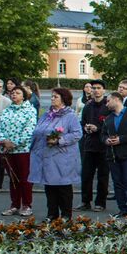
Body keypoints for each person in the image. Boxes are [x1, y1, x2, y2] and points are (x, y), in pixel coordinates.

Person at [31, 87, 82, 220]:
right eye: (52, 96)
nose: (52, 99)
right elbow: (38, 131)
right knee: (50, 187)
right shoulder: (46, 115)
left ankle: (66, 215)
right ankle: (52, 214)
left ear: (63, 99)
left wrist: (60, 140)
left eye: (55, 97)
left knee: (63, 186)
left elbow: (77, 134)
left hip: (62, 157)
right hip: (47, 156)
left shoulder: (70, 116)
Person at [0, 85, 37, 217]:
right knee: (13, 179)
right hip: (7, 150)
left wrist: (14, 143)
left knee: (24, 178)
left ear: (24, 96)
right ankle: (15, 204)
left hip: (23, 150)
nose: (14, 95)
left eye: (18, 93)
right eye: (12, 93)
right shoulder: (7, 110)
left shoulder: (30, 110)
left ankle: (27, 204)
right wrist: (3, 140)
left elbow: (29, 130)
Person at [102, 92, 127, 218]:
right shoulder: (108, 118)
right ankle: (122, 208)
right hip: (113, 155)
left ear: (116, 100)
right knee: (117, 182)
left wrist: (121, 139)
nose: (107, 104)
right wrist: (106, 140)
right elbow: (103, 134)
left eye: (108, 101)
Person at [79, 81, 110, 211]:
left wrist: (98, 128)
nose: (96, 91)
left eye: (98, 88)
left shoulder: (108, 106)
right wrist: (86, 127)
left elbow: (111, 124)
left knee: (103, 176)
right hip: (89, 145)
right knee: (86, 175)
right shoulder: (88, 105)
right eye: (94, 88)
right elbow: (83, 121)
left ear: (103, 90)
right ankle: (85, 201)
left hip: (103, 146)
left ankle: (100, 202)